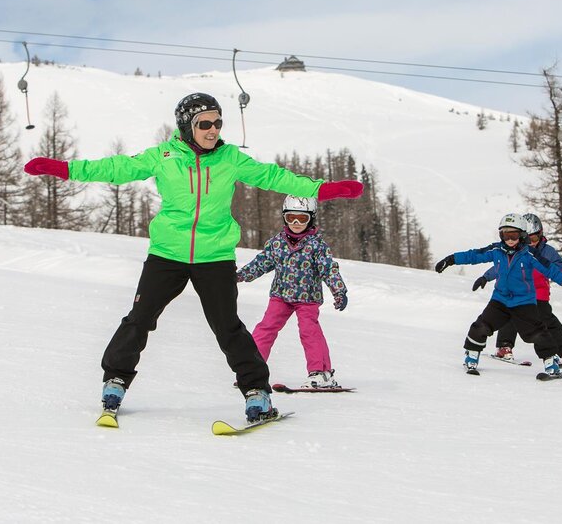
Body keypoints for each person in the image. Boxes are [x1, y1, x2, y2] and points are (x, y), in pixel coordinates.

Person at [22, 92, 364, 424]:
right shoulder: (163, 156)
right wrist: (63, 169)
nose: (213, 129)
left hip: (214, 257)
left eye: (217, 122)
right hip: (167, 255)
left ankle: (257, 392)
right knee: (140, 318)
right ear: (187, 127)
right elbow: (116, 168)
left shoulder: (230, 159)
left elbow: (274, 177)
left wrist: (322, 190)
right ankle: (115, 381)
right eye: (205, 124)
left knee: (228, 327)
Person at [434, 213, 562, 378]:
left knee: (537, 333)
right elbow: (474, 255)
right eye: (506, 235)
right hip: (500, 300)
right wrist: (451, 260)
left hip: (524, 302)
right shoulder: (496, 250)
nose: (509, 240)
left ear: (522, 235)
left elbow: (551, 269)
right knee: (481, 326)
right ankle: (472, 356)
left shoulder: (529, 254)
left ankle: (551, 364)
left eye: (513, 235)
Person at [236, 195, 348, 389]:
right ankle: (251, 371)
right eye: (291, 218)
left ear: (311, 218)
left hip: (307, 298)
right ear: (284, 218)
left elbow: (328, 269)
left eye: (302, 219)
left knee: (309, 331)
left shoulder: (316, 245)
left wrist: (338, 291)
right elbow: (262, 263)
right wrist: (240, 275)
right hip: (280, 295)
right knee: (265, 328)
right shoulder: (277, 243)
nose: (296, 223)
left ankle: (320, 373)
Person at [478, 213, 562, 365]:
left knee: (546, 319)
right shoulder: (517, 251)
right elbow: (501, 268)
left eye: (535, 239)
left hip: (539, 294)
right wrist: (486, 277)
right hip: (518, 292)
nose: (531, 243)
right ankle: (504, 347)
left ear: (541, 235)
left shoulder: (548, 252)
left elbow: (561, 270)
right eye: (528, 239)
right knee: (509, 312)